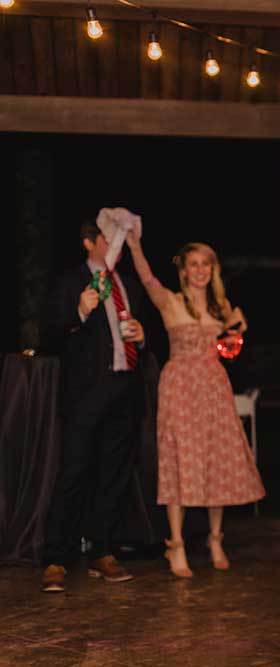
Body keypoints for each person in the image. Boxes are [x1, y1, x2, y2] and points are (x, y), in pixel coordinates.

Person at [126, 234, 263, 577]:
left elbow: (230, 349)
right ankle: (176, 544)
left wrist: (236, 334)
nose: (200, 270)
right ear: (184, 271)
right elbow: (146, 278)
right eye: (194, 265)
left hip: (213, 386)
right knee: (180, 461)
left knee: (216, 459)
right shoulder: (171, 302)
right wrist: (135, 246)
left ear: (211, 269)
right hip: (180, 387)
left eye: (206, 264)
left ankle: (216, 539)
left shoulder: (222, 306)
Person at [40, 220, 149, 593]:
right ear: (89, 242)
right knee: (73, 474)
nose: (116, 241)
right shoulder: (70, 281)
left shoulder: (126, 282)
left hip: (123, 389)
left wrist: (141, 333)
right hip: (85, 394)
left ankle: (103, 552)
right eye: (108, 236)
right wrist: (80, 311)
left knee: (114, 476)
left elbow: (143, 330)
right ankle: (56, 558)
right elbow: (49, 333)